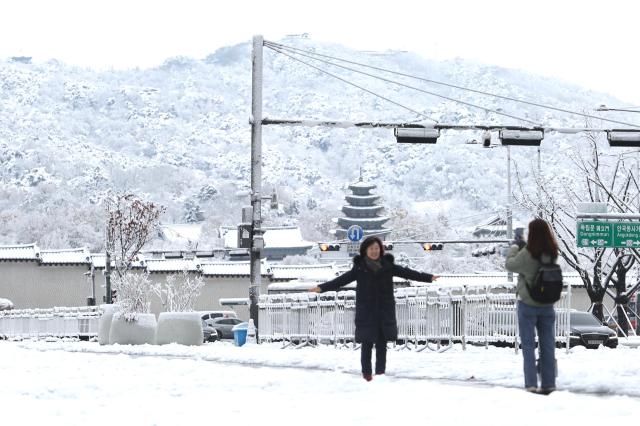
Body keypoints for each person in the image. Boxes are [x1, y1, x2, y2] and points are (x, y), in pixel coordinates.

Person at [309, 236, 439, 381]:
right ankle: (367, 376)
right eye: (371, 248)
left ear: (380, 249)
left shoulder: (388, 266)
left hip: (384, 312)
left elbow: (408, 273)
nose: (374, 251)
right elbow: (341, 280)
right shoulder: (359, 268)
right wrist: (322, 288)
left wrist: (428, 277)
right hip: (366, 312)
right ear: (365, 250)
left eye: (377, 248)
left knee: (382, 346)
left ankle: (380, 375)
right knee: (366, 345)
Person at [505, 218, 559, 395]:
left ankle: (531, 384)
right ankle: (549, 383)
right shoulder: (552, 252)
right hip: (547, 305)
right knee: (548, 346)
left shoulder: (527, 253)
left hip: (528, 304)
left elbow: (510, 264)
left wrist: (515, 247)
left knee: (528, 346)